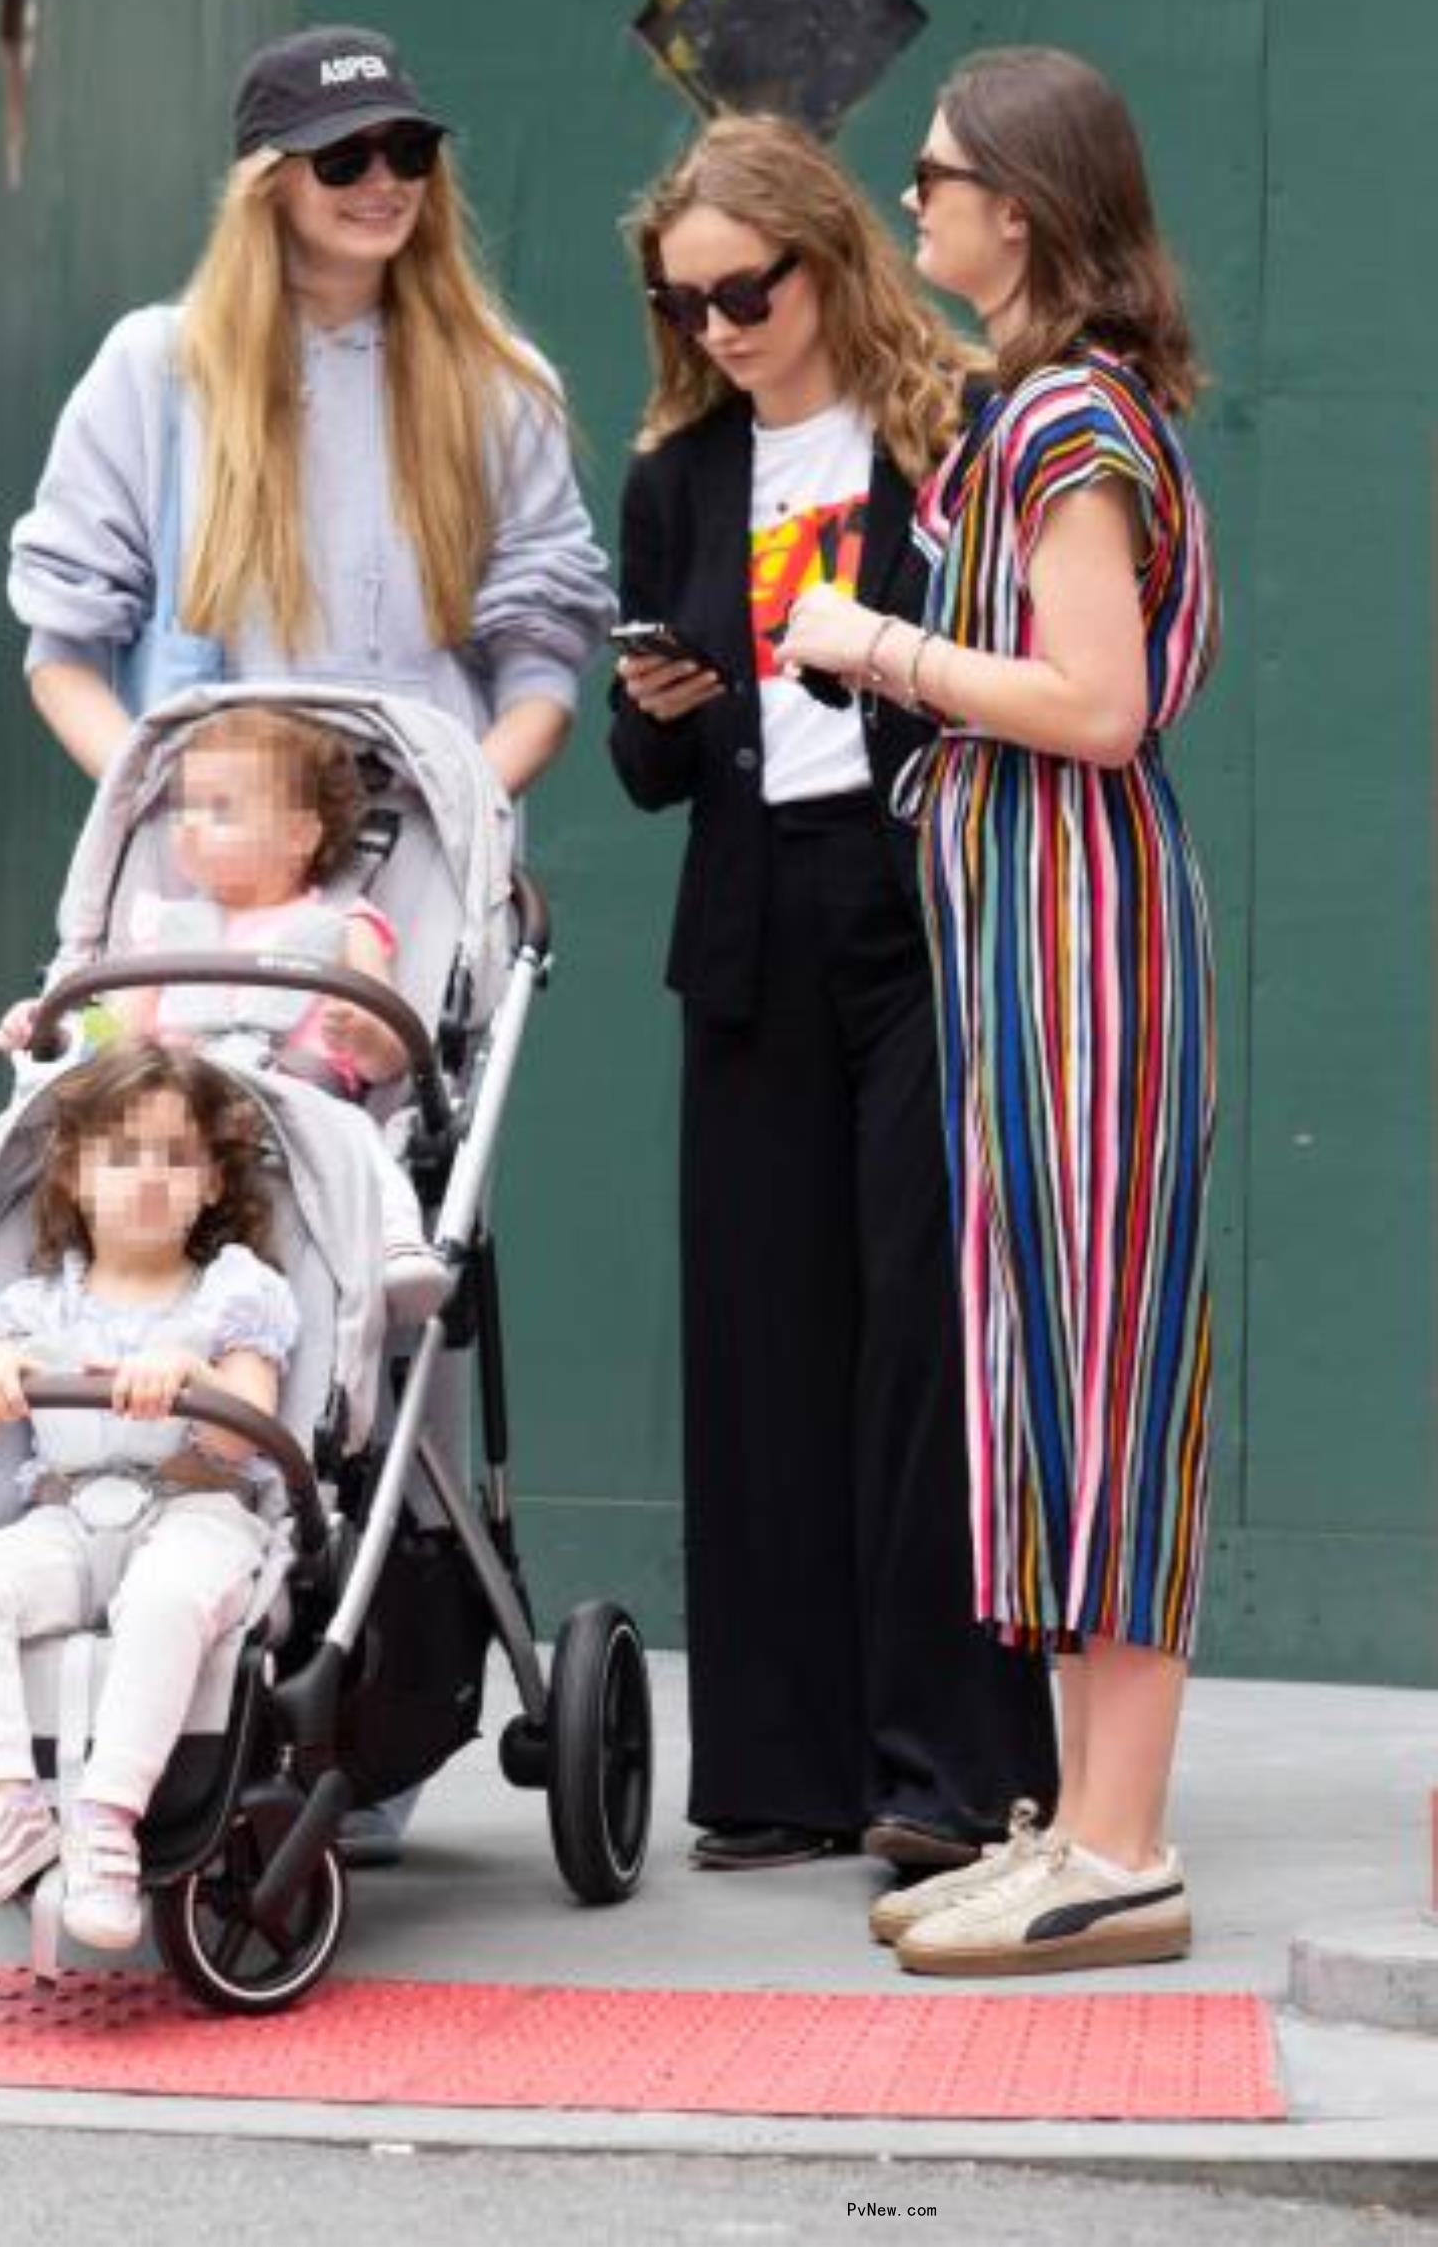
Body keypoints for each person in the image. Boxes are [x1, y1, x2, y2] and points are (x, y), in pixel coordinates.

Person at [780, 48, 1219, 1975]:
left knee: (1101, 1374)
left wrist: (871, 640)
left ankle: (1121, 1843)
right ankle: (1077, 1826)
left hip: (1084, 956)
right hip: (1031, 947)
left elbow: (1099, 705)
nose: (916, 204)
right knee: (1045, 1370)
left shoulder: (1063, 424)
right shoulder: (1039, 413)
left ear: (1019, 211)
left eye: (940, 176)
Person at [608, 114, 1057, 1876]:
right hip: (748, 917)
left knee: (926, 1335)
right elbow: (666, 776)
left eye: (744, 289)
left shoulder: (946, 429)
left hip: (920, 897)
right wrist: (662, 715)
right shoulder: (676, 478)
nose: (718, 326)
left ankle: (942, 1768)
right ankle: (784, 1770)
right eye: (684, 300)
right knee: (762, 1334)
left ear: (823, 254)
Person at [6, 22, 614, 796]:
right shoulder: (157, 368)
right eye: (343, 158)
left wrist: (460, 816)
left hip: (431, 874)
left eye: (409, 153)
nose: (384, 182)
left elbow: (543, 655)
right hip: (206, 882)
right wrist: (175, 805)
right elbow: (62, 648)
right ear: (269, 182)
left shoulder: (500, 383)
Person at [0, 1041, 299, 1953]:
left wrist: (197, 1374)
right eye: (123, 1155)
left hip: (196, 1512)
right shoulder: (37, 1307)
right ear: (77, 1178)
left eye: (176, 1156)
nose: (151, 1178)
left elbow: (249, 1428)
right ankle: (7, 1799)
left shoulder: (234, 1293)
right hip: (67, 1514)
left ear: (213, 1181)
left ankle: (107, 1822)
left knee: (167, 1600)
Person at [0, 702, 449, 1313]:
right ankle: (51, 1277)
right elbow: (122, 1033)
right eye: (183, 808)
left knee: (360, 1137)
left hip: (294, 1099)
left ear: (300, 835)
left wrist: (363, 1035)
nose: (188, 826)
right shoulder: (165, 926)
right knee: (93, 1133)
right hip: (179, 1108)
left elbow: (395, 1054)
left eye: (220, 809)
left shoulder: (344, 926)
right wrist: (52, 1030)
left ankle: (395, 1244)